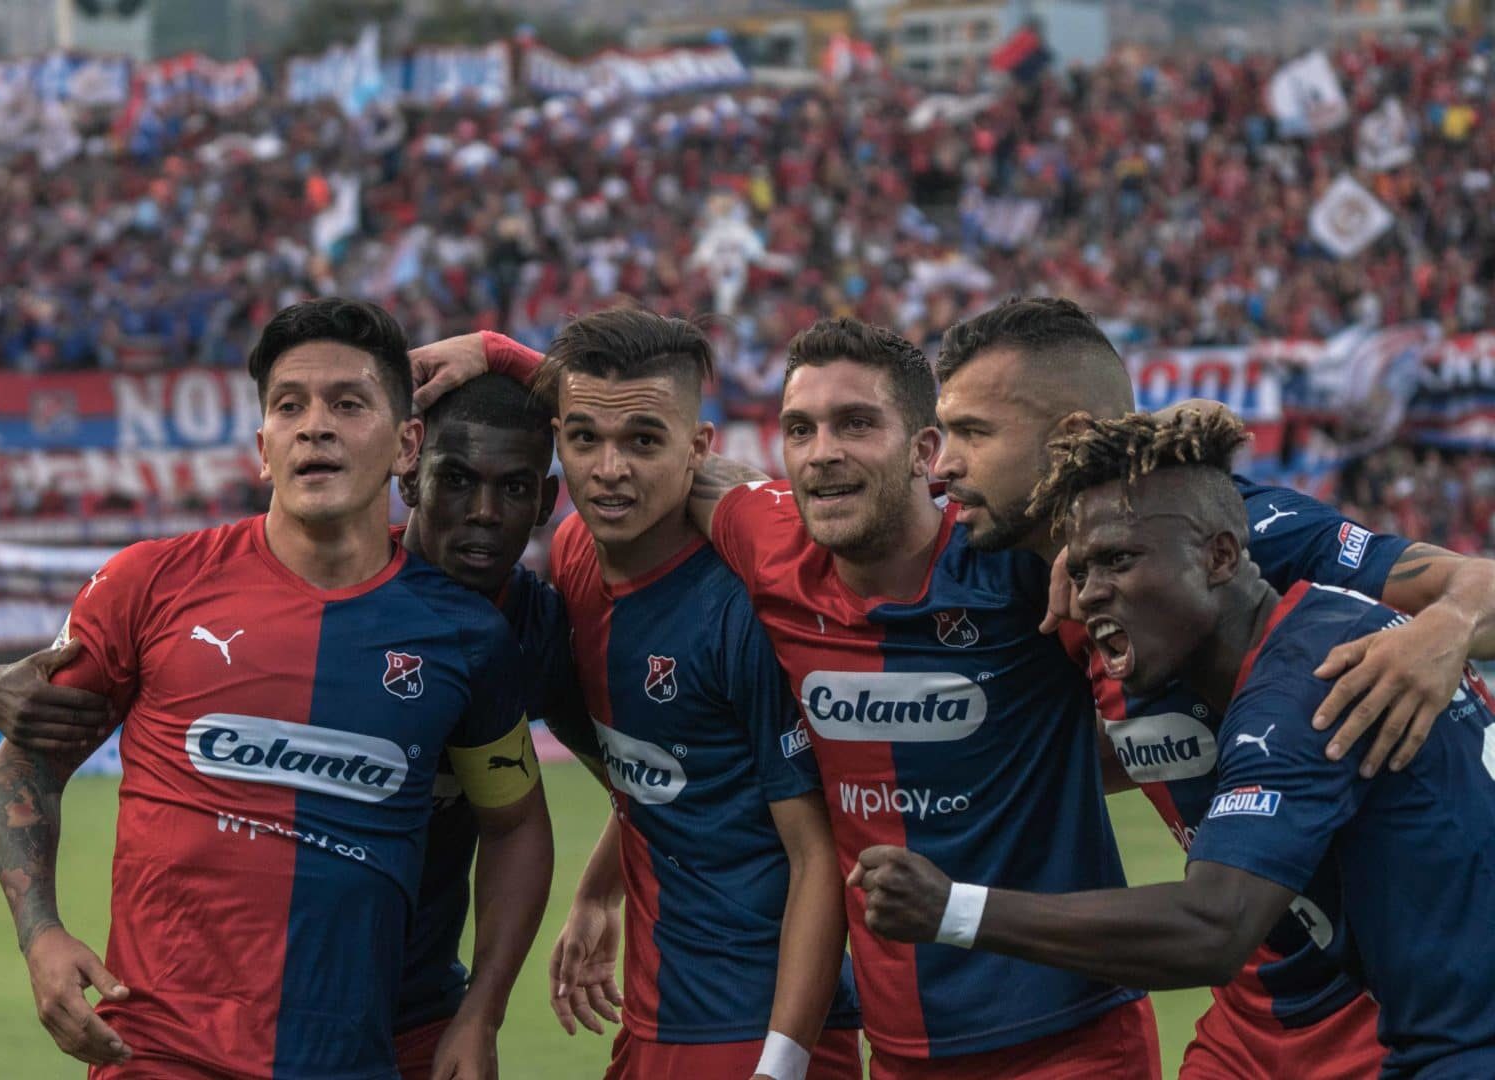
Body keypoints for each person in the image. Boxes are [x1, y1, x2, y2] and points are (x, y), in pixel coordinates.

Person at [417, 320, 1156, 1078]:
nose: (824, 451)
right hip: (873, 1047)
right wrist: (502, 354)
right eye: (801, 428)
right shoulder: (731, 544)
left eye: (856, 423)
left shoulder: (1016, 568)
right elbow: (632, 420)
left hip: (1043, 1036)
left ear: (923, 451)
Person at [0, 298, 554, 1079]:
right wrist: (40, 933)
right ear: (262, 448)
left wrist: (483, 1010)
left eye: (348, 404)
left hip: (349, 1056)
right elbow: (28, 760)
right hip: (156, 1053)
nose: (315, 426)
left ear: (406, 445)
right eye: (289, 406)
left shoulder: (468, 635)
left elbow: (516, 824)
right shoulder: (147, 583)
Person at [924, 295, 1495, 1076]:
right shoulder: (1011, 569)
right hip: (1253, 1000)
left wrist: (1441, 631)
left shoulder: (1233, 535)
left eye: (973, 433)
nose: (943, 466)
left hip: (1378, 1002)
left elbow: (1474, 584)